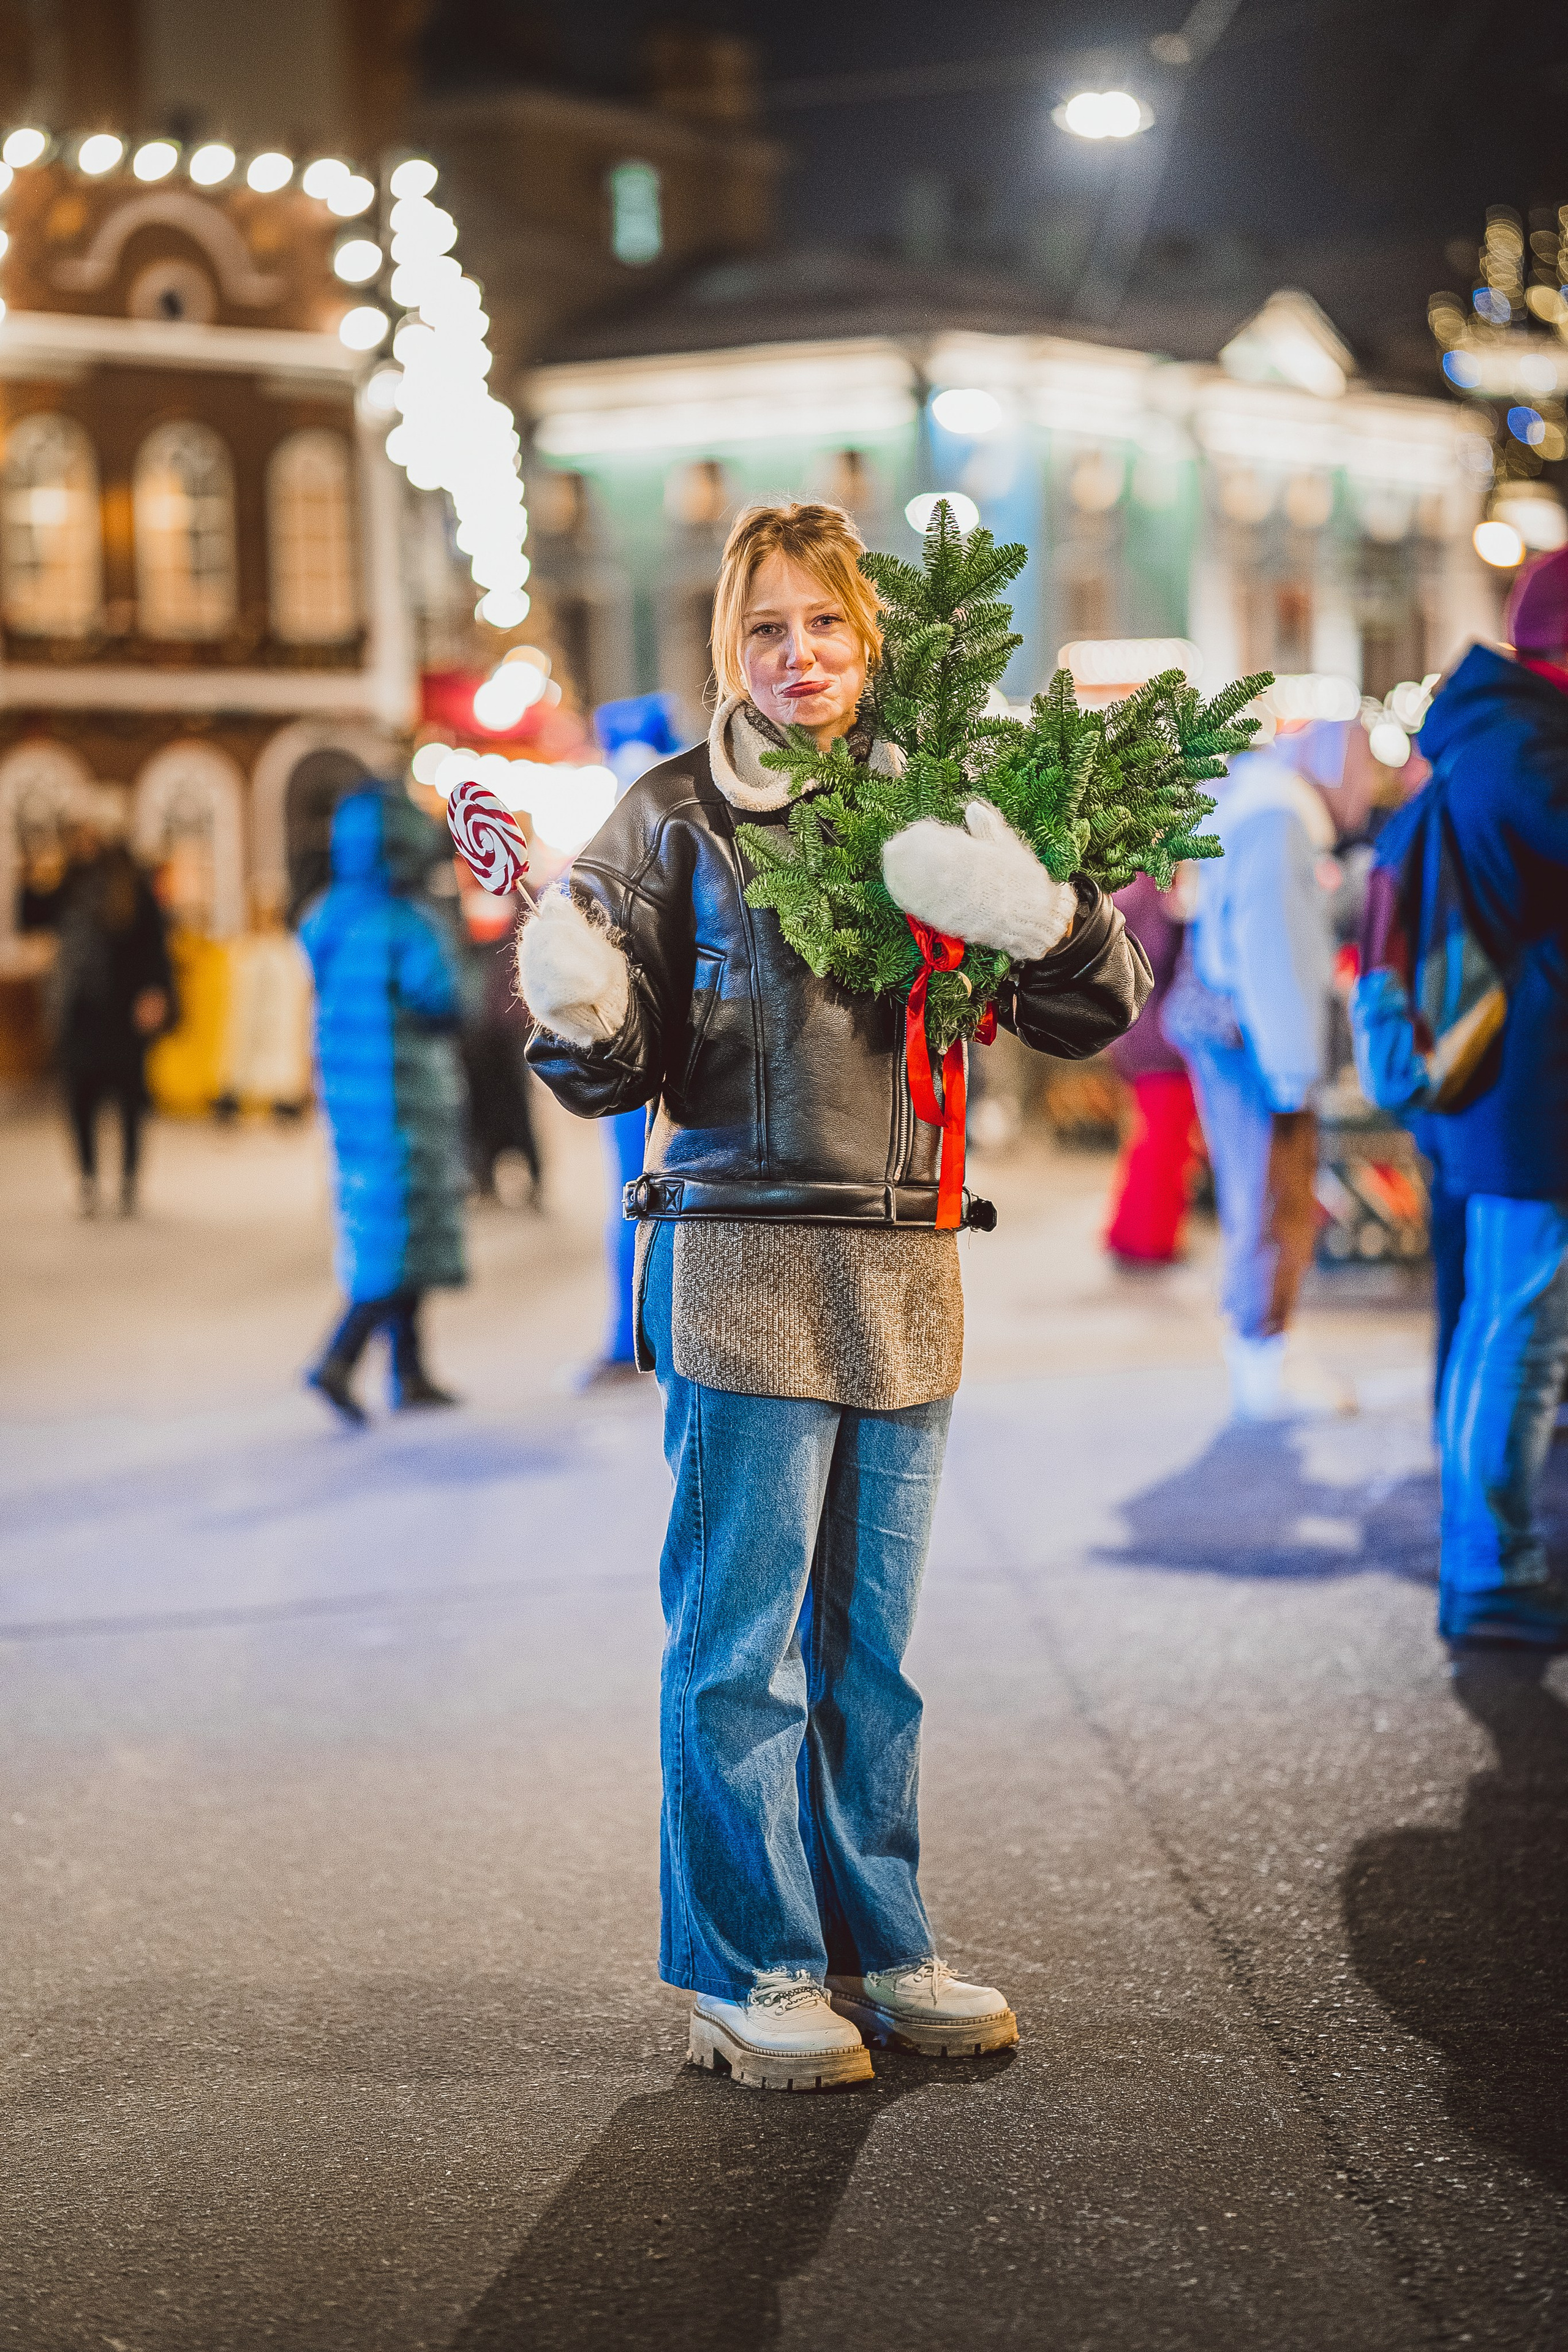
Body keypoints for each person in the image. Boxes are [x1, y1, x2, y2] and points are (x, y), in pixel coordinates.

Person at [521, 500, 1149, 2090]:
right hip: (743, 1256)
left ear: (872, 640)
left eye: (827, 626)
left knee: (874, 1650)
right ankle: (747, 1966)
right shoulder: (672, 815)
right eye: (766, 630)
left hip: (907, 1260)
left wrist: (1044, 912)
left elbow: (1092, 1012)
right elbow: (609, 1061)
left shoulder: (936, 811)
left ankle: (880, 1944)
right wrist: (581, 1004)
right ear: (729, 648)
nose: (799, 657)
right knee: (741, 1647)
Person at [1407, 547, 1568, 1646]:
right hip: (1526, 1088)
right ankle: (1491, 1566)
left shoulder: (1492, 737)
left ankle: (1488, 1556)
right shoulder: (1523, 745)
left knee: (1501, 1321)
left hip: (1502, 1084)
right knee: (1520, 1328)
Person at [1165, 717, 1374, 1420]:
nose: (1365, 789)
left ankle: (1261, 1353)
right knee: (1269, 1196)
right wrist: (1293, 1073)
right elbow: (1274, 948)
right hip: (1249, 1038)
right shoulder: (1282, 814)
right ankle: (1261, 1365)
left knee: (1253, 1195)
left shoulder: (1258, 799)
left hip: (1223, 1026)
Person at [299, 786, 468, 1425]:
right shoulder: (409, 923)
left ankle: (411, 1371)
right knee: (401, 1233)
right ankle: (337, 1359)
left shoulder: (325, 916)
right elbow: (446, 1000)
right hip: (407, 1098)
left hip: (350, 1098)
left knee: (386, 1226)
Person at [50, 823, 173, 1218]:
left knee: (129, 1099)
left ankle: (128, 1180)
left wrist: (156, 992)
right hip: (81, 1012)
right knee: (80, 1100)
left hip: (123, 1012)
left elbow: (156, 947)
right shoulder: (72, 886)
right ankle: (88, 1178)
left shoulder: (132, 889)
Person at [1103, 868, 1201, 1264]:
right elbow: (1156, 958)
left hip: (1138, 1031)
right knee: (1166, 1143)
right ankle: (1151, 1239)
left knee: (1151, 1140)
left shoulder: (1128, 890)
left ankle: (1132, 1233)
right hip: (1159, 1036)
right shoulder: (1151, 893)